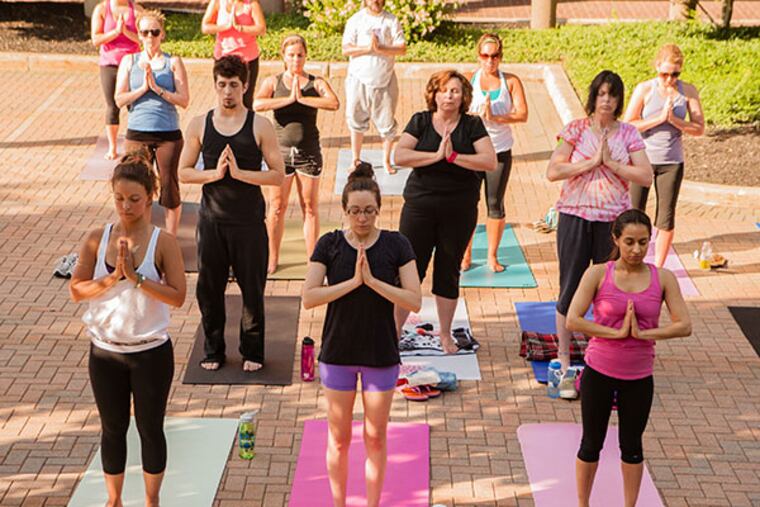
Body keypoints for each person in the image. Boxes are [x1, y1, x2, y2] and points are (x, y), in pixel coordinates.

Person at [70, 151, 186, 507]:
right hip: (105, 353)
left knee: (150, 429)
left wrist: (137, 279)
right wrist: (111, 279)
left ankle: (151, 500)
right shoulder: (97, 237)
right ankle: (114, 500)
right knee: (112, 428)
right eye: (119, 198)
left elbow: (178, 296)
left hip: (150, 353)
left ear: (150, 196)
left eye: (134, 199)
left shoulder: (163, 242)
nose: (126, 206)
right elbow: (77, 290)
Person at [302, 162, 421, 507]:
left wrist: (372, 282)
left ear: (378, 209)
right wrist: (353, 283)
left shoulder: (397, 245)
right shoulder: (330, 244)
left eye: (369, 210)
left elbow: (414, 300)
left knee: (375, 438)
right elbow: (309, 297)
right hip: (337, 352)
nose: (362, 217)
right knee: (339, 439)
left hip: (380, 354)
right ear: (345, 210)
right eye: (355, 211)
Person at [566, 209, 691, 507]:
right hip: (599, 371)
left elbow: (684, 325)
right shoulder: (598, 273)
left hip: (639, 377)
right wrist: (616, 333)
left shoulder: (663, 278)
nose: (636, 249)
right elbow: (573, 319)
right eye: (630, 242)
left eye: (643, 242)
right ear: (616, 239)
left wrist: (645, 334)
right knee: (591, 444)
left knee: (632, 447)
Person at [545, 70, 652, 398]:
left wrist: (613, 164)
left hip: (611, 222)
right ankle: (564, 357)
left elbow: (645, 175)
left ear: (619, 100)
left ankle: (602, 357)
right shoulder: (575, 129)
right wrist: (591, 162)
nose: (607, 100)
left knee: (608, 289)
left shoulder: (628, 134)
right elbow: (553, 170)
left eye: (612, 94)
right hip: (575, 216)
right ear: (593, 96)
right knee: (571, 285)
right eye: (602, 93)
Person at [178, 55, 285, 372]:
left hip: (249, 223)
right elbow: (184, 172)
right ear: (215, 85)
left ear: (245, 86)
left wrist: (240, 174)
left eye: (234, 85)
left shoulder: (260, 125)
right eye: (222, 85)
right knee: (209, 290)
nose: (228, 92)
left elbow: (277, 175)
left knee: (252, 290)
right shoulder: (200, 124)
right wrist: (214, 174)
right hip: (212, 222)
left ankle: (252, 351)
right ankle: (213, 350)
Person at [394, 70, 497, 353]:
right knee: (410, 269)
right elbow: (399, 155)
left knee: (448, 270)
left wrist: (453, 157)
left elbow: (489, 161)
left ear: (463, 96)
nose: (449, 96)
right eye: (444, 90)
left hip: (458, 209)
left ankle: (445, 334)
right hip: (420, 207)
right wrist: (436, 156)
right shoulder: (421, 121)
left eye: (455, 91)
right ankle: (393, 332)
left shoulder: (472, 125)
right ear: (434, 94)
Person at [254, 34, 340, 274]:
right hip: (279, 154)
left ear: (306, 56)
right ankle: (272, 258)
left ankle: (314, 260)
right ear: (283, 56)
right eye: (291, 55)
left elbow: (333, 103)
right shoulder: (274, 82)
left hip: (308, 153)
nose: (295, 59)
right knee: (277, 207)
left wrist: (303, 99)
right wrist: (289, 99)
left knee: (309, 207)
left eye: (300, 55)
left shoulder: (315, 82)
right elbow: (257, 104)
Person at [623, 44, 705, 268]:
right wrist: (658, 119)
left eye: (675, 74)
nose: (669, 79)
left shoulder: (688, 91)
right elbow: (628, 124)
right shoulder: (645, 89)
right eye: (665, 74)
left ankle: (658, 268)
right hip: (642, 160)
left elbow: (699, 128)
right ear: (657, 67)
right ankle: (630, 262)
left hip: (672, 163)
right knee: (633, 214)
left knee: (666, 217)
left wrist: (675, 121)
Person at [115, 9, 189, 236]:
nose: (150, 36)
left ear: (162, 34)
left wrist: (158, 89)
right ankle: (142, 235)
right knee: (138, 185)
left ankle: (170, 238)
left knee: (169, 186)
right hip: (137, 133)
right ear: (138, 34)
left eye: (155, 32)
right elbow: (119, 99)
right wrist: (142, 89)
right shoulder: (129, 61)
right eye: (145, 32)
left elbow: (184, 100)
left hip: (168, 134)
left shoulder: (172, 62)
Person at [461, 33, 528, 273]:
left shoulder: (511, 81)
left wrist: (495, 117)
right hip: (472, 151)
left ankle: (492, 255)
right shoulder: (469, 79)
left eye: (495, 55)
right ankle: (465, 254)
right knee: (467, 203)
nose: (490, 60)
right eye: (485, 55)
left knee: (495, 203)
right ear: (479, 56)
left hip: (499, 151)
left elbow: (522, 114)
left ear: (500, 56)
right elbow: (456, 111)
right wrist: (474, 117)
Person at [342, 0, 406, 174]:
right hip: (358, 80)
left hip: (385, 80)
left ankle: (386, 160)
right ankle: (355, 159)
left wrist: (381, 48)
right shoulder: (355, 20)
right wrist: (368, 48)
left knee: (387, 123)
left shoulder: (391, 20)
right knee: (355, 120)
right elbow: (346, 49)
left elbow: (402, 48)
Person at [90, 0, 142, 160]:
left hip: (132, 63)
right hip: (109, 64)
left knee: (134, 104)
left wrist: (125, 32)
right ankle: (112, 147)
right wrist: (115, 32)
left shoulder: (137, 10)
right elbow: (96, 39)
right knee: (112, 106)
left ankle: (136, 146)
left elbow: (144, 38)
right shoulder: (101, 9)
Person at [201, 0, 266, 109]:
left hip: (247, 59)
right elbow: (205, 27)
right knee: (225, 98)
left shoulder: (251, 4)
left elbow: (261, 29)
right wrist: (224, 27)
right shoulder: (217, 2)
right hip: (223, 58)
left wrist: (241, 28)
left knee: (245, 99)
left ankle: (247, 120)